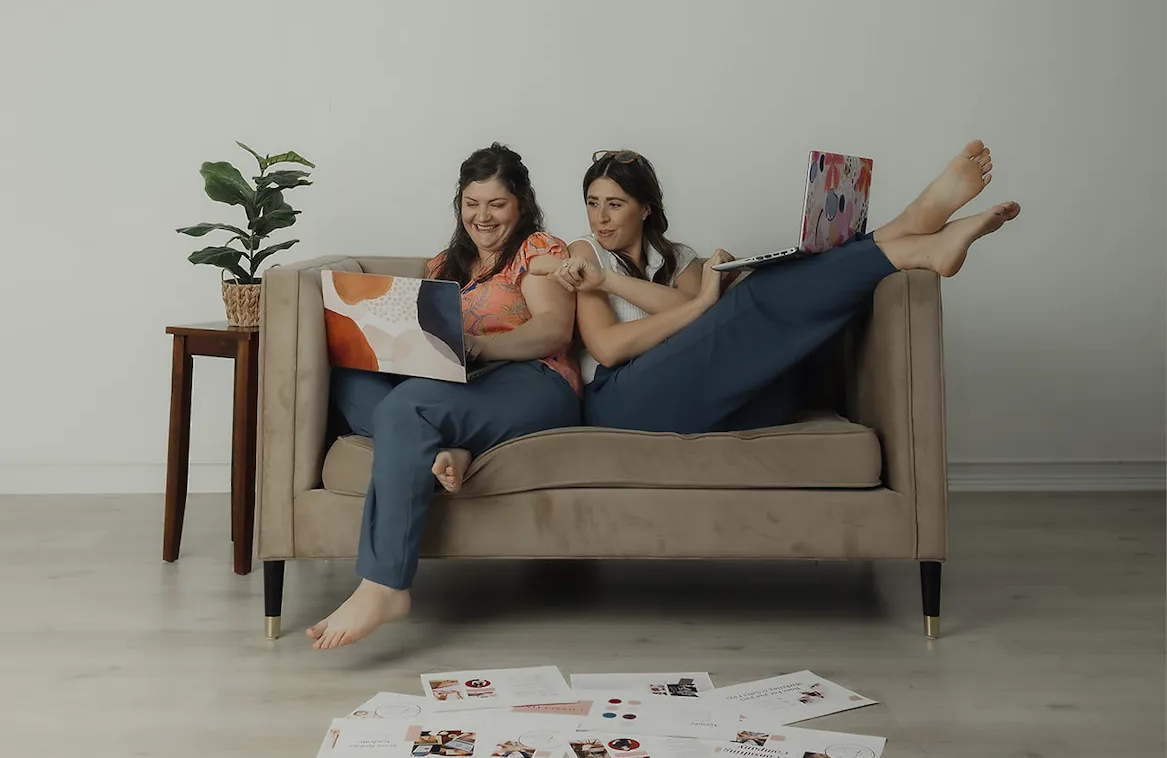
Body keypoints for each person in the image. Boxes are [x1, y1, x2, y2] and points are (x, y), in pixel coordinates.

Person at [535, 142, 1020, 433]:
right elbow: (609, 346)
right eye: (593, 203)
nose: (600, 217)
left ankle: (904, 231)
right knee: (755, 300)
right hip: (621, 401)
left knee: (778, 306)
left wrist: (704, 296)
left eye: (614, 204)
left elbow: (686, 306)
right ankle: (910, 239)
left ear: (644, 208)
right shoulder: (584, 255)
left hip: (684, 390)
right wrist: (701, 300)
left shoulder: (678, 258)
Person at [308, 143, 582, 650]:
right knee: (351, 374)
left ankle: (385, 585)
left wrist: (483, 346)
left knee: (406, 408)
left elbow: (553, 332)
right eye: (472, 203)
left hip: (533, 382)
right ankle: (438, 451)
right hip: (461, 386)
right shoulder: (443, 264)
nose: (483, 216)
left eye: (496, 204)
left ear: (520, 202)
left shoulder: (539, 250)